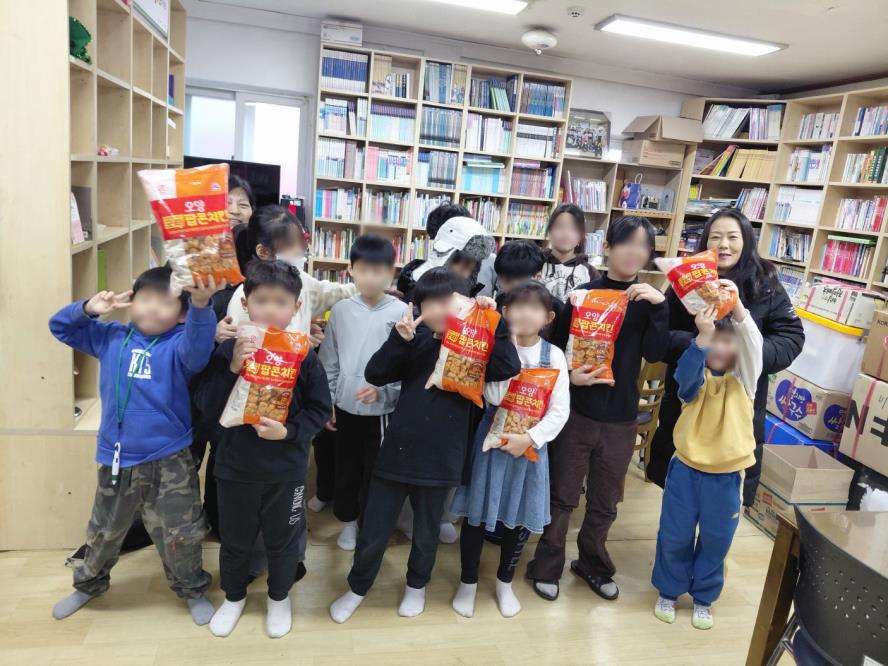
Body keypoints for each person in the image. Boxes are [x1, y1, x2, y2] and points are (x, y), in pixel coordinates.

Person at [328, 268, 520, 623]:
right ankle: (357, 587)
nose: (441, 309)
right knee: (374, 527)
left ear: (465, 304)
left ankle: (417, 586)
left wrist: (497, 324)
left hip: (443, 457)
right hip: (397, 452)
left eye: (450, 301)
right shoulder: (413, 340)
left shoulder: (476, 346)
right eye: (431, 302)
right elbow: (376, 374)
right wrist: (398, 340)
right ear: (418, 307)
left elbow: (509, 365)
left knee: (427, 530)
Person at [48, 266, 222, 624]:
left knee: (181, 531)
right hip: (116, 457)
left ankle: (191, 588)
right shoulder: (110, 336)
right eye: (145, 299)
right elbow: (60, 327)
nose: (152, 309)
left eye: (164, 303)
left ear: (181, 314)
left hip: (170, 457)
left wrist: (202, 306)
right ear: (131, 301)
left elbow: (199, 352)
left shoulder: (178, 344)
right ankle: (88, 584)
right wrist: (87, 310)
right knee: (104, 530)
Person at [526, 215, 669, 602]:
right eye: (627, 243)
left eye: (644, 247)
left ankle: (593, 564)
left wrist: (659, 307)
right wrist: (570, 377)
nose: (634, 252)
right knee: (563, 497)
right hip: (578, 413)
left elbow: (656, 352)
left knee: (606, 501)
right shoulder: (583, 295)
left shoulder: (648, 302)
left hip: (622, 418)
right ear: (607, 247)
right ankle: (546, 566)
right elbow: (554, 351)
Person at [195, 260, 331, 638]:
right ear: (245, 302)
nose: (271, 309)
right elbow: (207, 404)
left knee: (283, 539)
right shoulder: (228, 350)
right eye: (262, 300)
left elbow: (320, 410)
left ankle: (279, 597)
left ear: (296, 307)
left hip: (285, 470)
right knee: (234, 539)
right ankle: (234, 597)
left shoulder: (303, 355)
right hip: (235, 467)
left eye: (281, 301)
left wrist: (288, 432)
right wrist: (234, 367)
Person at [646, 209, 804, 505]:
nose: (724, 245)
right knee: (678, 497)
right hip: (688, 400)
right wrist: (699, 344)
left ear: (746, 241)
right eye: (715, 237)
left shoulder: (765, 283)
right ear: (705, 242)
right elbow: (661, 338)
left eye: (733, 237)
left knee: (724, 499)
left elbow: (791, 339)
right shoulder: (685, 279)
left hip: (740, 404)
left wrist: (743, 353)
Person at [450, 281, 570, 619]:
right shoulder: (493, 344)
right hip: (491, 443)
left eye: (534, 308)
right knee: (475, 516)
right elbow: (491, 397)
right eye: (517, 306)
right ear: (505, 311)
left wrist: (530, 439)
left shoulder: (555, 355)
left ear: (547, 317)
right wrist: (508, 352)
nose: (524, 313)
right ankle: (468, 582)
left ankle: (505, 582)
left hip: (529, 449)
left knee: (518, 518)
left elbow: (560, 410)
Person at [226, 204, 356, 516]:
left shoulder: (300, 279)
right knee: (251, 487)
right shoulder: (245, 296)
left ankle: (289, 548)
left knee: (288, 485)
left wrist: (363, 286)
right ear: (264, 251)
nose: (303, 250)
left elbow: (328, 292)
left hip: (294, 400)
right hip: (254, 403)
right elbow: (237, 355)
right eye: (294, 244)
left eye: (303, 242)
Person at [652, 284, 762, 630]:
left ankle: (704, 598)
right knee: (674, 535)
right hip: (685, 469)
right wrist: (702, 336)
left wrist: (739, 307)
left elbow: (752, 346)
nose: (719, 346)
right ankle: (669, 591)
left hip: (728, 476)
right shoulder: (694, 376)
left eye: (727, 341)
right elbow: (684, 380)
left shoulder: (745, 380)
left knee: (716, 540)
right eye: (715, 340)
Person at [318, 235, 406, 551]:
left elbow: (403, 365)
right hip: (344, 408)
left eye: (380, 270)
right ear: (350, 270)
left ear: (391, 273)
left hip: (380, 413)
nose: (372, 277)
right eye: (365, 269)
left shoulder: (400, 312)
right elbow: (329, 358)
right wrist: (329, 401)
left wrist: (383, 392)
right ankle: (347, 523)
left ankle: (369, 523)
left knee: (375, 472)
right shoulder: (340, 310)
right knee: (346, 469)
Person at [228, 204, 357, 336]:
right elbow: (237, 344)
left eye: (300, 243)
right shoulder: (246, 293)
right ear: (263, 251)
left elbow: (333, 293)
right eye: (290, 245)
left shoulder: (302, 281)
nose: (298, 251)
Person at [398, 211, 496, 302]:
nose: (465, 275)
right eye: (463, 267)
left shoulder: (466, 294)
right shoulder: (421, 290)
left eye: (471, 269)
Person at [540, 203, 598, 301]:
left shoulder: (589, 272)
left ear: (581, 236)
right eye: (560, 227)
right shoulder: (536, 262)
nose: (566, 234)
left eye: (573, 229)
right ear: (549, 231)